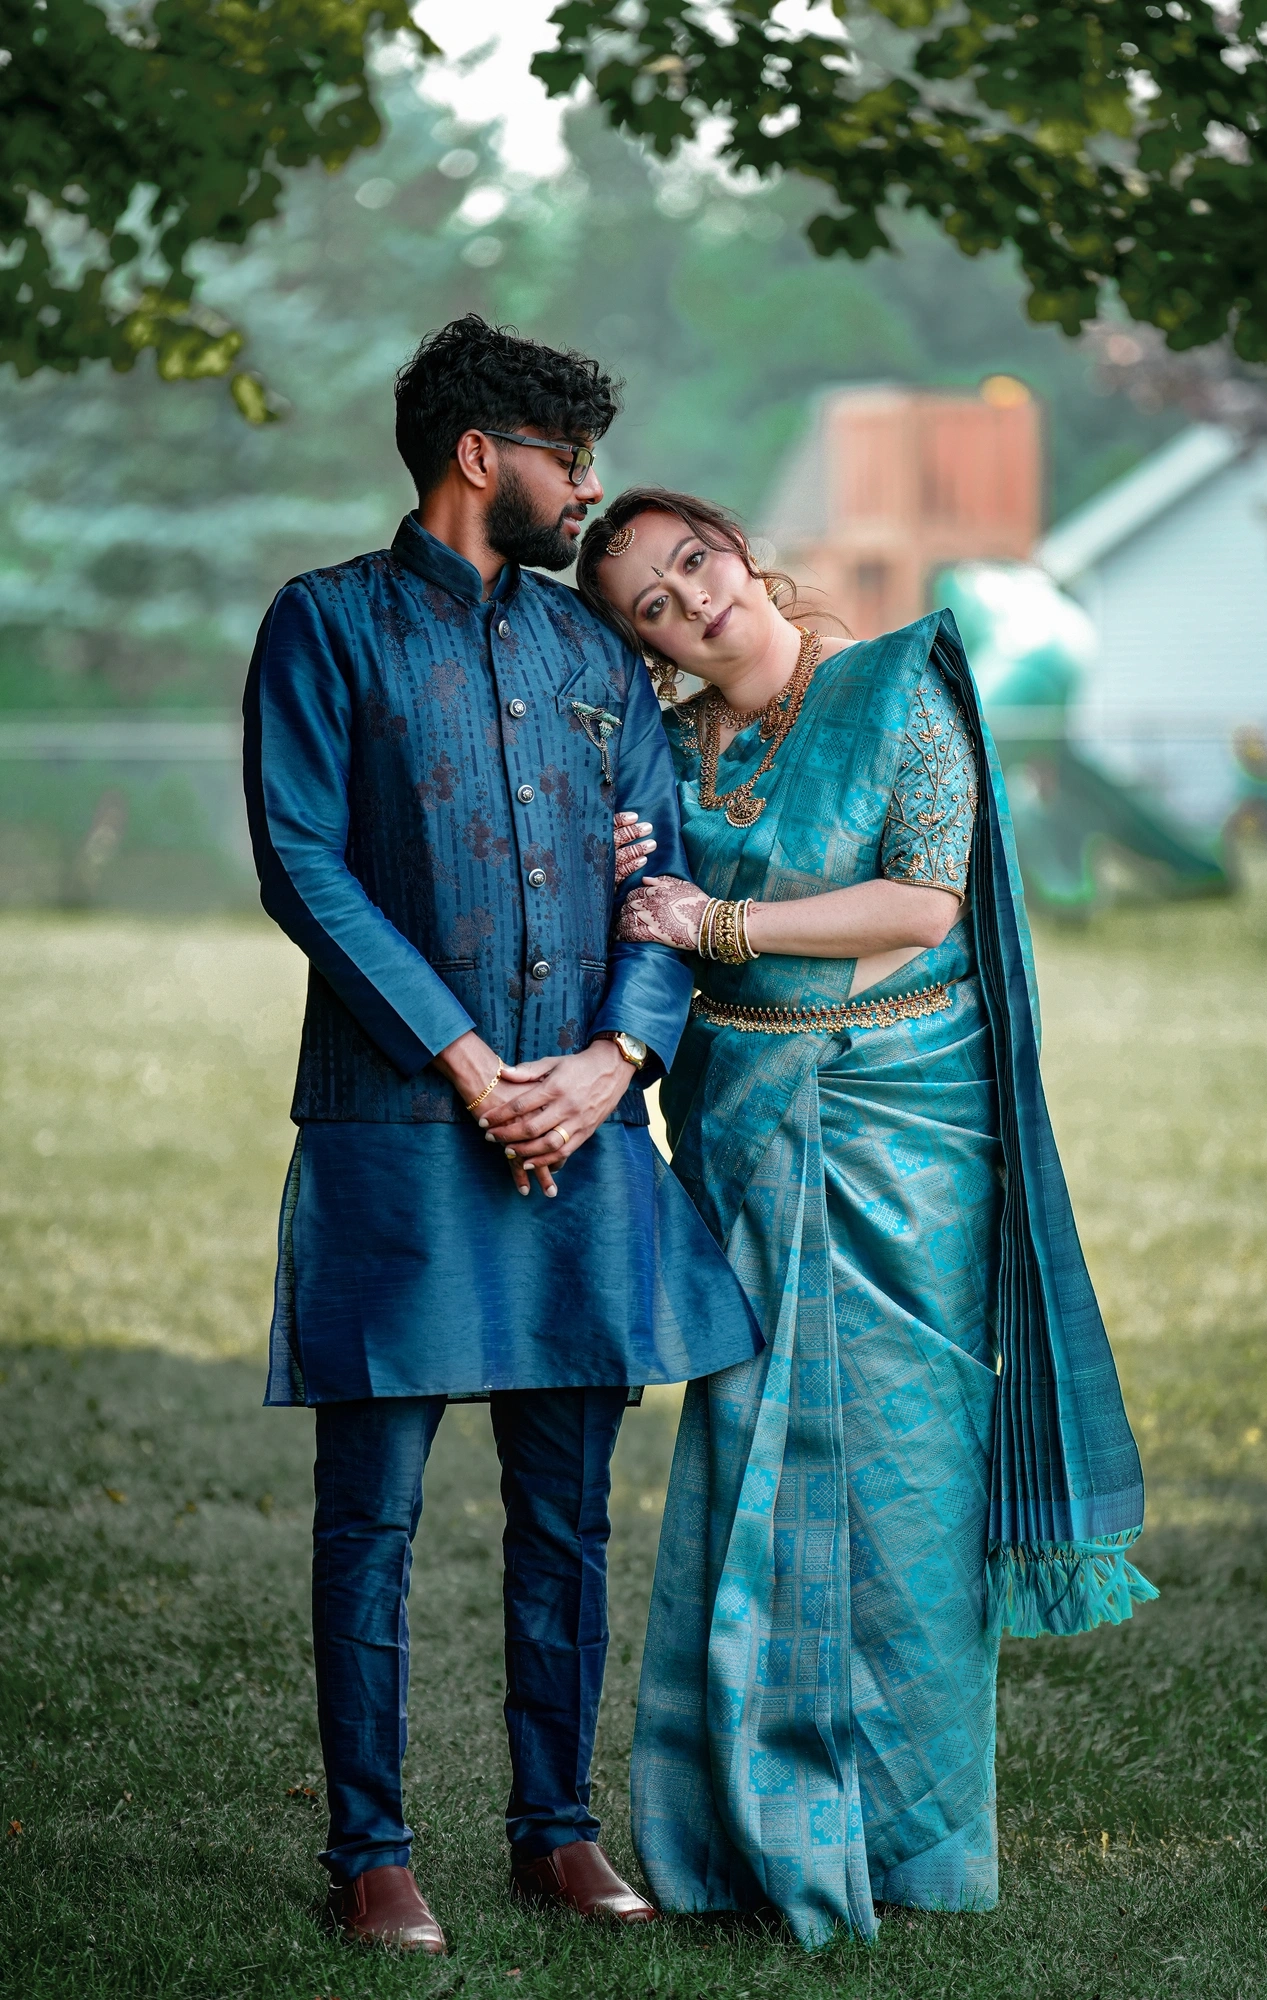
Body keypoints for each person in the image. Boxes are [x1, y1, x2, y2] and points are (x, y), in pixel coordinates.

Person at [577, 488, 1156, 1948]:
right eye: (653, 604)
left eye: (694, 564)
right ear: (646, 640)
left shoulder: (898, 689)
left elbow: (922, 905)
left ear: (738, 551)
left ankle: (912, 1841)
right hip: (745, 1141)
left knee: (907, 1476)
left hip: (910, 1133)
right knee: (747, 1460)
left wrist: (720, 927)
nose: (692, 603)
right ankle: (729, 1831)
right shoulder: (671, 759)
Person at [242, 332, 761, 1954]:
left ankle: (555, 1833)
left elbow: (659, 886)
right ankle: (372, 1853)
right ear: (480, 454)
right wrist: (471, 1062)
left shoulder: (594, 657)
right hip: (401, 1125)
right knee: (372, 1515)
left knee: (568, 1510)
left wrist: (615, 1063)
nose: (590, 485)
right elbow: (304, 866)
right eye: (569, 454)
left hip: (590, 1136)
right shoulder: (325, 627)